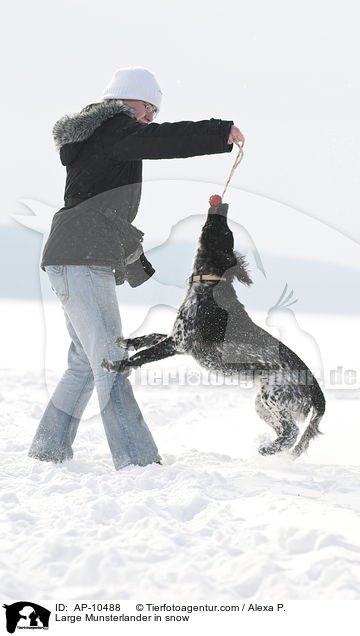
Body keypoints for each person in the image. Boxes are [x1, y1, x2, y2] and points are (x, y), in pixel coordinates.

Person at [28, 66, 245, 471]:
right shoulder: (113, 127)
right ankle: (137, 462)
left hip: (71, 256)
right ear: (128, 99)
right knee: (112, 359)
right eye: (149, 108)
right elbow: (162, 141)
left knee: (84, 359)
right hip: (81, 259)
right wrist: (218, 132)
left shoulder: (99, 132)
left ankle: (48, 450)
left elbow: (107, 208)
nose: (151, 117)